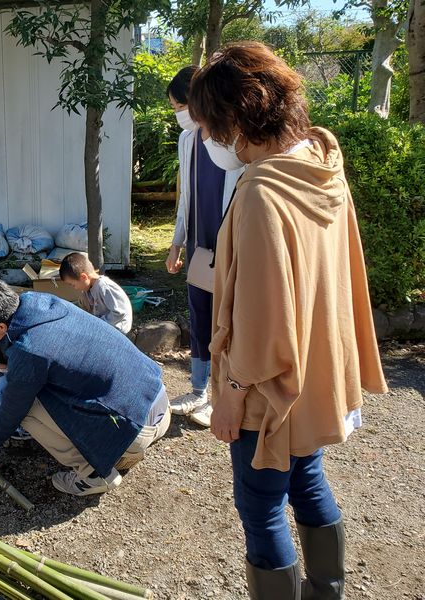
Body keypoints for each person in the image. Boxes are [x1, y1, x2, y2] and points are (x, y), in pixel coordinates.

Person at [187, 42, 387, 599]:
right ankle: (327, 590)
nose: (207, 141)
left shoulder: (260, 192)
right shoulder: (321, 161)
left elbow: (260, 316)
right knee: (307, 480)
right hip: (315, 363)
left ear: (237, 118)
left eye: (209, 128)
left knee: (261, 505)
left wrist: (228, 392)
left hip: (267, 385)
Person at [0, 277, 170, 496]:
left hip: (137, 431)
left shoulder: (29, 350)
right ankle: (112, 449)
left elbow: (11, 410)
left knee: (27, 407)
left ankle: (94, 476)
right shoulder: (39, 304)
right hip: (157, 401)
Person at [165, 66, 243, 429]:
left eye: (178, 104)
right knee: (199, 315)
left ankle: (223, 395)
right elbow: (187, 197)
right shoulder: (188, 140)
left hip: (230, 243)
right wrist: (176, 244)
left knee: (226, 320)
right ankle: (198, 391)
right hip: (199, 244)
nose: (177, 112)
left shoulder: (234, 137)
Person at [58, 252, 132, 334]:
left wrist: (98, 325)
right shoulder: (86, 290)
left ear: (84, 277)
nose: (75, 288)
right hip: (102, 326)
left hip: (117, 329)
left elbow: (119, 312)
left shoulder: (104, 287)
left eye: (73, 284)